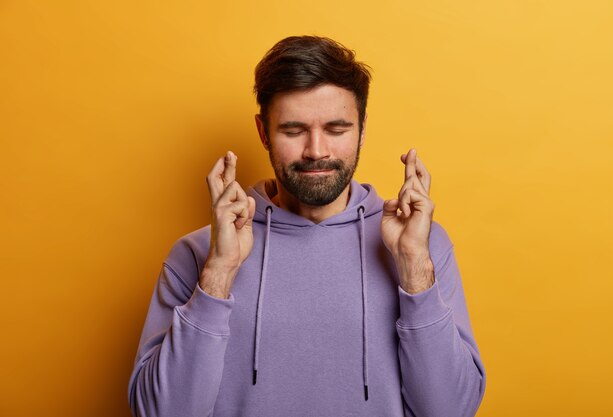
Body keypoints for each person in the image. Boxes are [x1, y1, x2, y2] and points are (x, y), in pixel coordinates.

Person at [128, 35, 486, 417]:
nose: (316, 150)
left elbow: (450, 410)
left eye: (336, 129)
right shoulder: (199, 254)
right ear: (263, 132)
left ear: (362, 129)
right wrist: (219, 272)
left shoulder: (420, 245)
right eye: (294, 130)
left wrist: (414, 268)